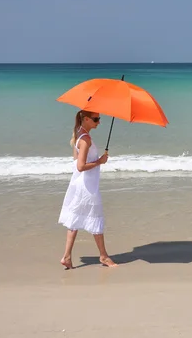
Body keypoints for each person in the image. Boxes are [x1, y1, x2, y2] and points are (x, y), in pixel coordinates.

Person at [58, 110, 117, 269]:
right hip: (87, 187)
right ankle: (103, 256)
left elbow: (76, 160)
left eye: (99, 119)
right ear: (86, 119)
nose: (99, 122)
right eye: (96, 119)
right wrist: (100, 161)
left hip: (79, 184)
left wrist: (96, 161)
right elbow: (81, 165)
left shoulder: (79, 134)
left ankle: (67, 256)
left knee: (75, 220)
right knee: (95, 219)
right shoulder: (85, 139)